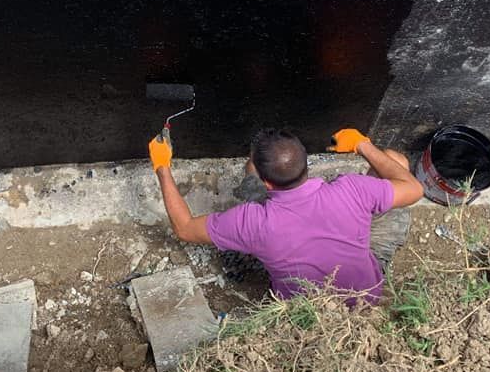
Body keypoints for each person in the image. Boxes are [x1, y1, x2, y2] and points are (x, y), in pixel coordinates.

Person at [147, 126, 424, 301]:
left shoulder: (252, 222)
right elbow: (414, 189)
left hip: (305, 314)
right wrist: (362, 144)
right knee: (395, 161)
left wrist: (162, 167)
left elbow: (184, 228)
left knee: (250, 173)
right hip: (364, 298)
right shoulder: (351, 190)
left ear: (266, 184)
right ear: (307, 164)